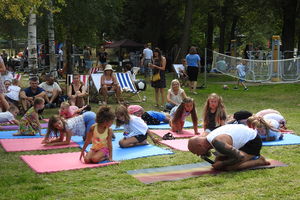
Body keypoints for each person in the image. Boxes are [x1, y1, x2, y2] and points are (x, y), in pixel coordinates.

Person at [188, 124, 270, 171]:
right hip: (242, 141)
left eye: (196, 152)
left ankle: (260, 160)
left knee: (230, 167)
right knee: (218, 161)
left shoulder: (217, 142)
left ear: (200, 145)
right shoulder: (210, 138)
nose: (198, 155)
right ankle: (251, 157)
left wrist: (222, 163)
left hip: (252, 142)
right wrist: (219, 162)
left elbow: (239, 157)